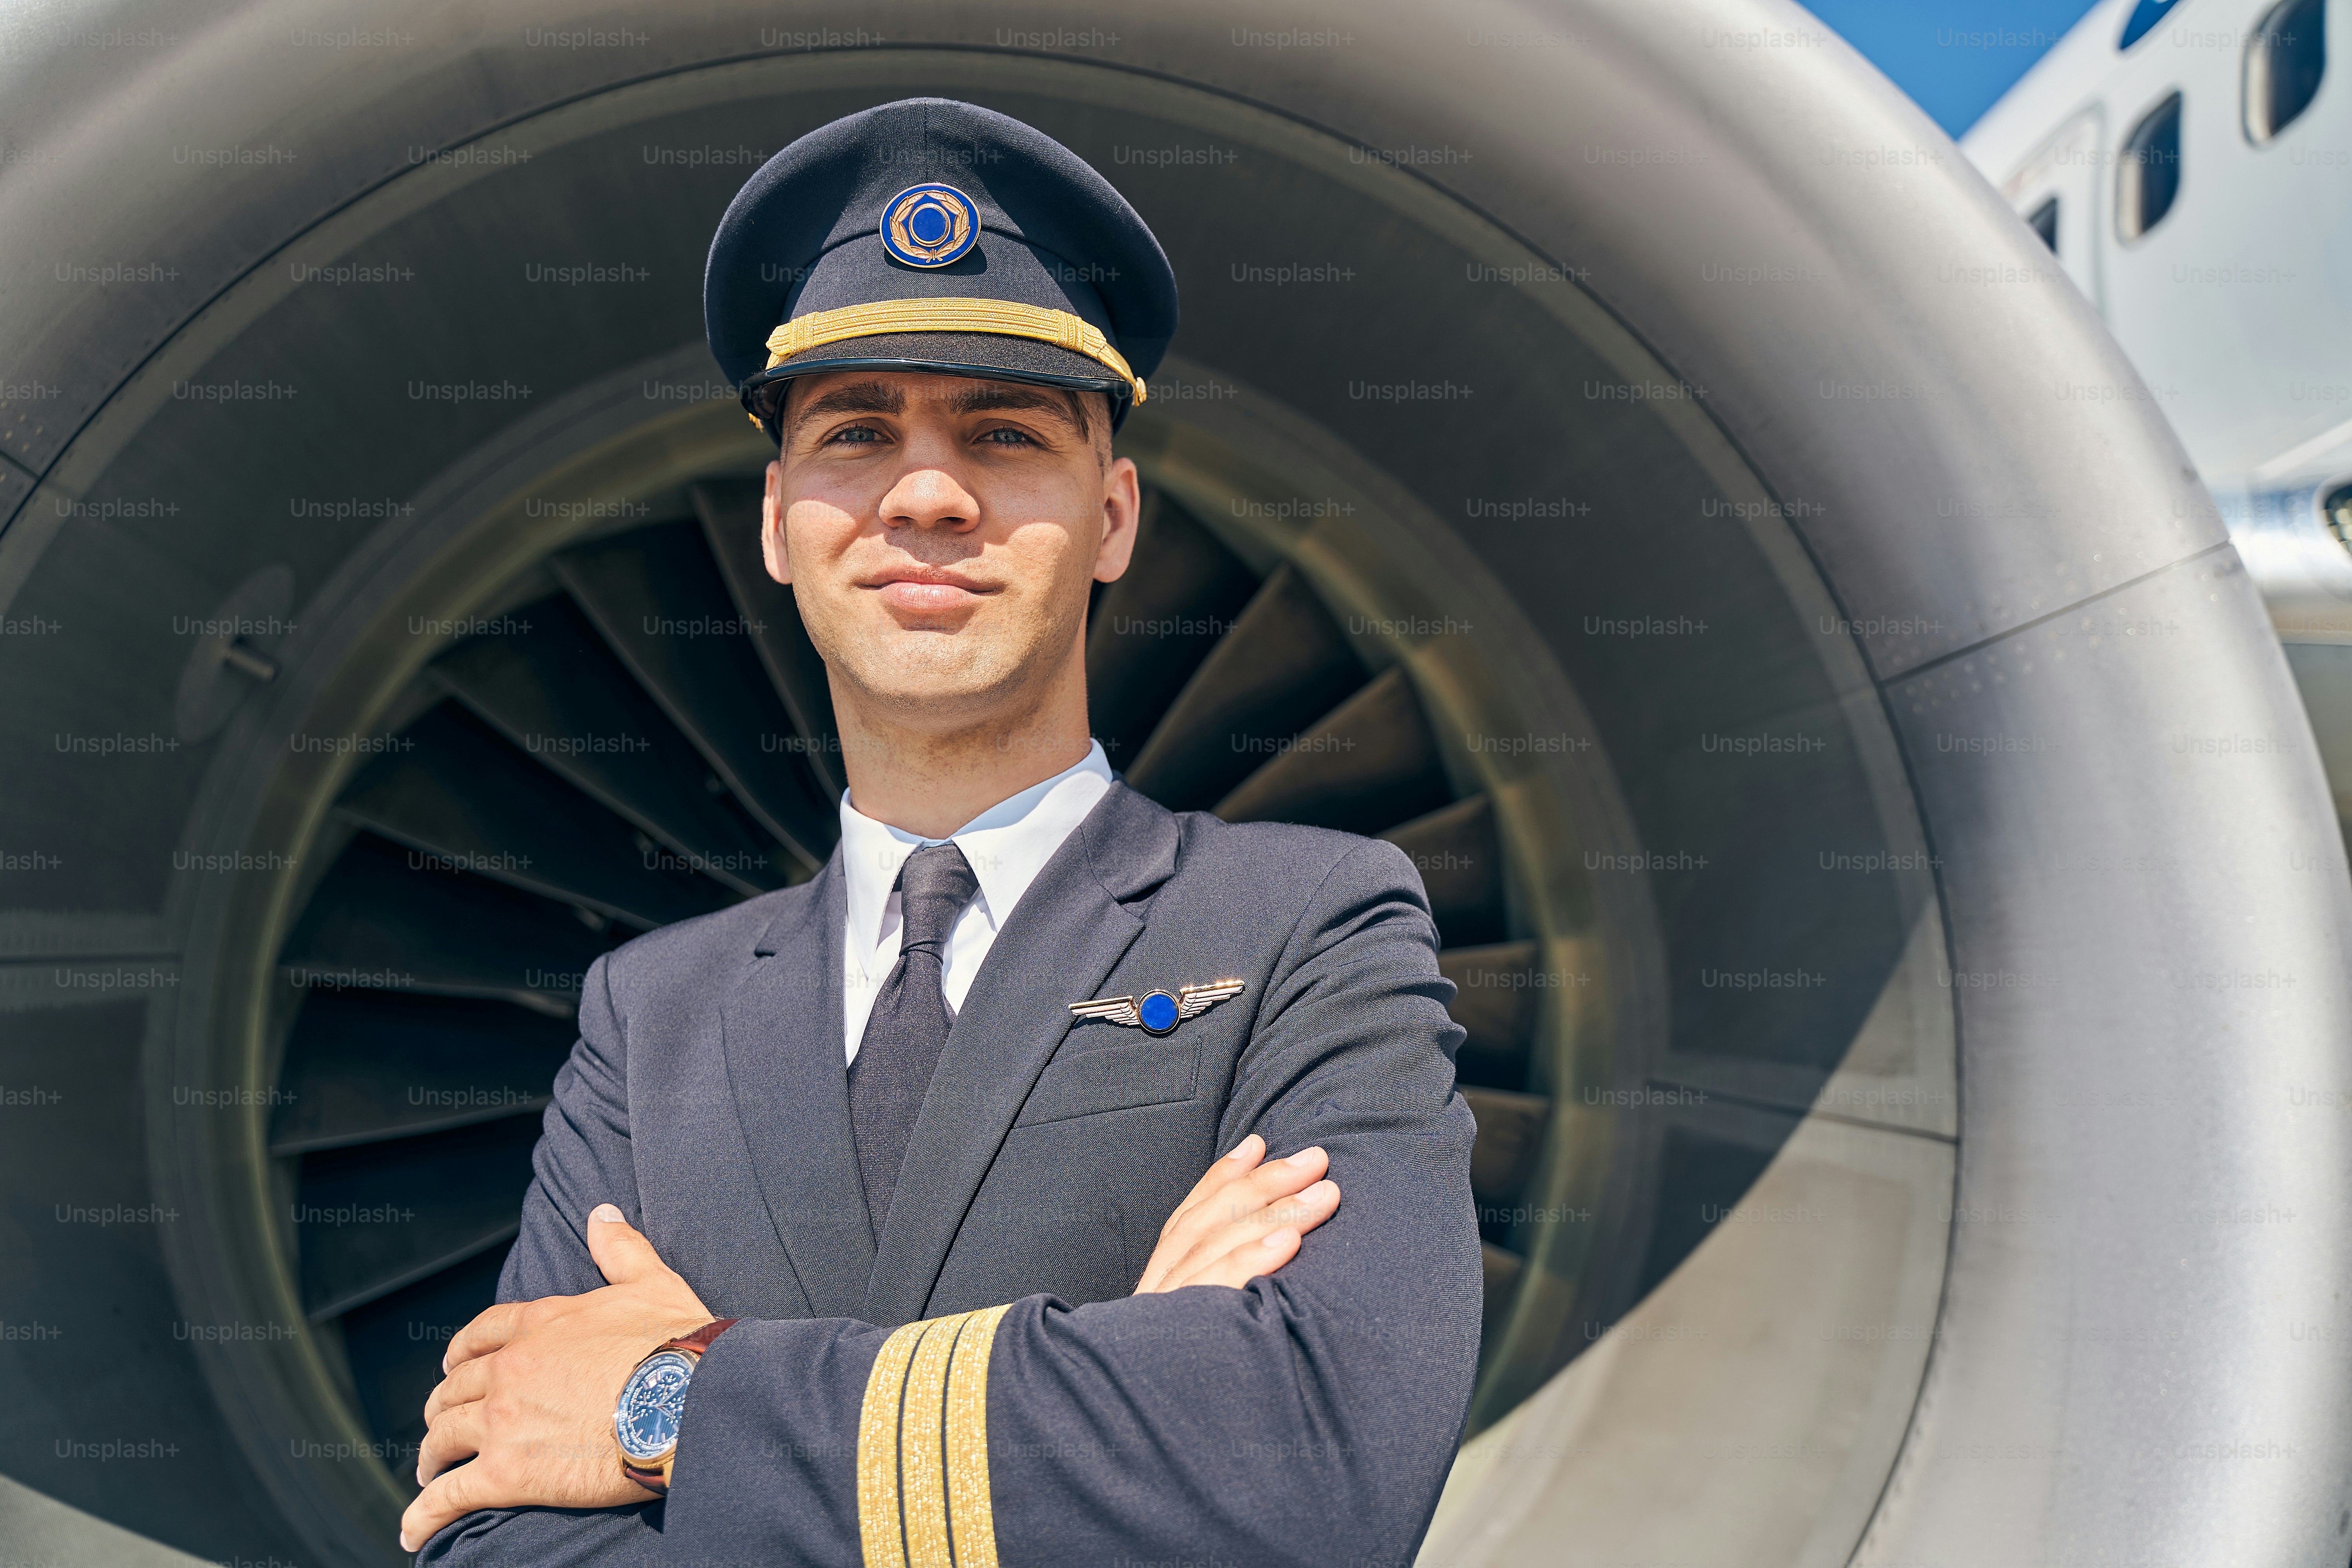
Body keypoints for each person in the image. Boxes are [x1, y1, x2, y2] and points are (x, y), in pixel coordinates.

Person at [401, 95, 1480, 1568]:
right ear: (781, 524)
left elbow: (1311, 1462)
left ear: (1111, 518)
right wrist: (1129, 1383)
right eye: (856, 433)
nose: (925, 492)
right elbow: (489, 1527)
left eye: (1003, 432)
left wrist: (669, 1403)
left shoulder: (1313, 923)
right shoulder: (649, 1020)